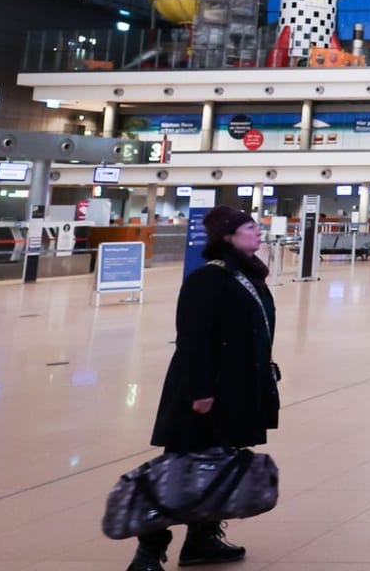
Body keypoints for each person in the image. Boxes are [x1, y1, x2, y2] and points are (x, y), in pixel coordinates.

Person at [129, 207, 279, 571]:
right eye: (249, 228)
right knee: (180, 471)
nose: (257, 234)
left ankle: (202, 538)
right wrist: (200, 391)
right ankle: (148, 552)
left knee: (216, 465)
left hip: (234, 388)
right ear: (227, 236)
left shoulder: (244, 275)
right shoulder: (209, 278)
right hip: (205, 393)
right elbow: (192, 339)